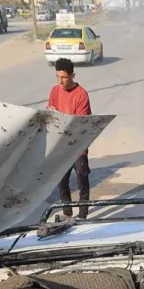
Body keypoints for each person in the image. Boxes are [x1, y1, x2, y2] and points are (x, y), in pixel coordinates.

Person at [47, 58, 92, 218]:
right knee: (62, 181)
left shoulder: (81, 95)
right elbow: (51, 113)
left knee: (82, 180)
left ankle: (83, 215)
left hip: (78, 146)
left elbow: (80, 123)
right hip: (61, 145)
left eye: (64, 77)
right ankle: (67, 214)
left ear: (73, 75)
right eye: (58, 77)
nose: (61, 81)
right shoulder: (54, 91)